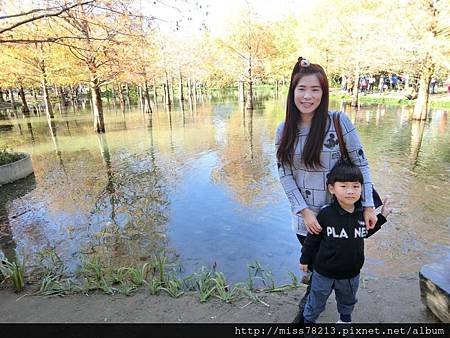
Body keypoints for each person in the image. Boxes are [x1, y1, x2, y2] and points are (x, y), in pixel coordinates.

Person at [275, 57, 378, 323]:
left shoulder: (339, 122)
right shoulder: (283, 130)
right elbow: (284, 174)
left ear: (324, 92)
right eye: (302, 89)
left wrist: (367, 204)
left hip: (342, 213)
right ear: (292, 91)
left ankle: (336, 309)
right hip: (307, 218)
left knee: (339, 261)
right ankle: (311, 303)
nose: (308, 96)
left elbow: (361, 163)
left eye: (315, 89)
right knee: (313, 263)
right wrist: (304, 211)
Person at [300, 162, 392, 324]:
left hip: (351, 273)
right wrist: (304, 259)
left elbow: (365, 233)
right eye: (343, 186)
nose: (350, 191)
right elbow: (312, 239)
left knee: (347, 301)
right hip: (324, 272)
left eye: (356, 186)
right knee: (316, 301)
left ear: (362, 189)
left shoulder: (362, 214)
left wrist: (382, 217)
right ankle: (308, 324)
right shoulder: (326, 214)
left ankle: (344, 322)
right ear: (332, 189)